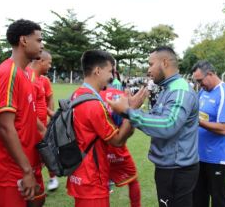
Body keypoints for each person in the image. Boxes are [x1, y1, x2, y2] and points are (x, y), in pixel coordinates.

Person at [107, 46, 199, 207]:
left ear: (164, 63)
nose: (149, 70)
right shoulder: (167, 89)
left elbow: (167, 125)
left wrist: (129, 112)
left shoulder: (179, 91)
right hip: (168, 166)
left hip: (177, 169)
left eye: (150, 64)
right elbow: (156, 118)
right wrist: (133, 107)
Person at [66, 50, 137, 207]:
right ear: (98, 71)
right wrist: (132, 111)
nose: (112, 76)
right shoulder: (93, 104)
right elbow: (117, 141)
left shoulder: (77, 94)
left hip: (80, 172)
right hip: (92, 178)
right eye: (110, 71)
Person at [0, 19, 45, 206]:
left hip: (26, 163)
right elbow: (5, 127)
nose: (42, 45)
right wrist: (26, 171)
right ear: (24, 41)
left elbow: (27, 116)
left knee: (39, 202)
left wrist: (44, 135)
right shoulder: (8, 73)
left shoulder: (24, 73)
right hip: (11, 170)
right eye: (38, 40)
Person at [191, 60, 225, 207]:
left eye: (200, 80)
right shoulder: (202, 92)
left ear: (210, 74)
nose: (199, 84)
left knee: (218, 199)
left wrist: (199, 122)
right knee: (198, 198)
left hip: (216, 158)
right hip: (198, 156)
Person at [100, 87, 141, 207]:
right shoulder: (119, 94)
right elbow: (127, 125)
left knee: (101, 184)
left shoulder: (94, 94)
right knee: (133, 180)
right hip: (118, 145)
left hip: (99, 147)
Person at [28, 50, 59, 191]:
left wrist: (50, 114)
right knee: (41, 153)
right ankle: (34, 180)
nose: (50, 65)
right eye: (49, 62)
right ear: (41, 61)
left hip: (42, 124)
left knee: (46, 152)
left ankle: (52, 178)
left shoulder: (43, 80)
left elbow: (46, 99)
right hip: (34, 126)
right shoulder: (30, 78)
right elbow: (28, 108)